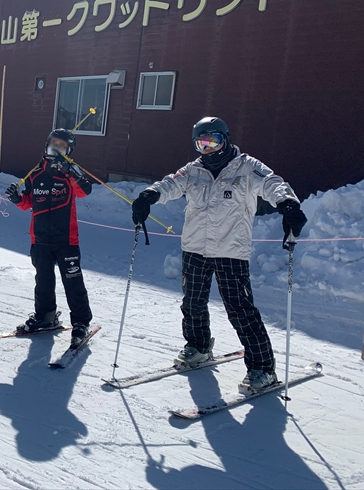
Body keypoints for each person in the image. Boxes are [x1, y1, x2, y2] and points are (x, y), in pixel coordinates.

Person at [131, 116, 308, 392]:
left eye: (214, 141)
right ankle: (199, 346)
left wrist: (287, 204)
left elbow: (273, 183)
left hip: (230, 251)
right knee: (192, 303)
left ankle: (263, 368)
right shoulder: (193, 170)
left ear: (225, 139)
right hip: (194, 248)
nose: (209, 149)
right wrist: (149, 195)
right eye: (202, 144)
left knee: (240, 310)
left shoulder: (247, 167)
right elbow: (170, 184)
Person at [5, 129, 94, 348]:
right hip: (40, 239)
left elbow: (85, 191)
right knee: (43, 281)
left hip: (66, 240)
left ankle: (81, 323)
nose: (56, 149)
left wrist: (70, 171)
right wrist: (17, 199)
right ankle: (45, 316)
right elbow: (29, 203)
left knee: (73, 283)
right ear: (46, 145)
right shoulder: (35, 173)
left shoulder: (70, 172)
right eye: (53, 144)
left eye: (61, 146)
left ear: (69, 150)